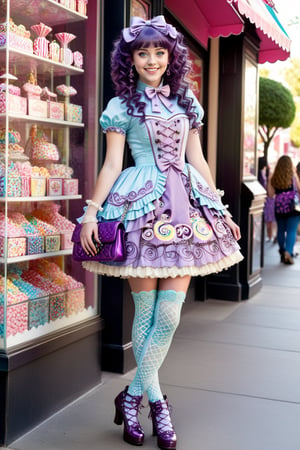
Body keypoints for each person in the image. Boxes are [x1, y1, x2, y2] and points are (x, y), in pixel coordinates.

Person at [79, 16, 243, 449]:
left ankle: (133, 395)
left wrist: (221, 209)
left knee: (169, 315)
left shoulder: (187, 102)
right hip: (140, 206)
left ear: (171, 57)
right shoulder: (122, 106)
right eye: (142, 53)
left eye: (159, 52)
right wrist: (92, 213)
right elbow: (113, 164)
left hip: (186, 208)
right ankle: (157, 404)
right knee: (147, 314)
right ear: (130, 60)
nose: (151, 60)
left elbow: (200, 161)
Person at [270, 155, 300, 265]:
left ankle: (282, 251)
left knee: (281, 230)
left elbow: (271, 194)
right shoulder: (293, 175)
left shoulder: (274, 177)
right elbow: (299, 189)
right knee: (292, 230)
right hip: (293, 207)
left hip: (279, 207)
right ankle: (288, 252)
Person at [258, 156, 276, 242]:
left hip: (268, 198)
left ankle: (270, 236)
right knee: (269, 220)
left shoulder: (266, 174)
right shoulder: (264, 173)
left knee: (269, 220)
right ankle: (270, 235)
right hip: (268, 198)